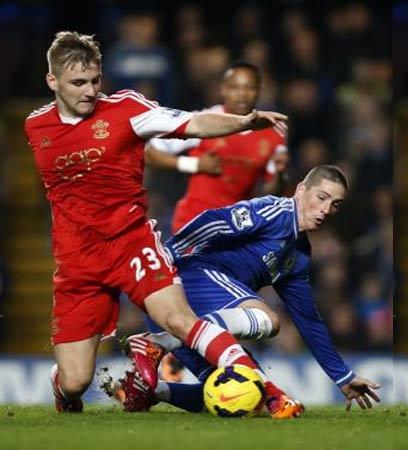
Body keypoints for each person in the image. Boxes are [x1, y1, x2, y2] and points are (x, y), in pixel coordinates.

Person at [25, 31, 286, 412]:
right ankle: (61, 384)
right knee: (76, 381)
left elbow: (193, 124)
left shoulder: (127, 110)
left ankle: (268, 392)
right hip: (77, 259)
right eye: (78, 83)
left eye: (95, 81)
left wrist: (242, 122)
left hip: (131, 241)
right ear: (53, 82)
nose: (89, 91)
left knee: (179, 319)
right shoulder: (35, 126)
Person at [119, 165, 381, 414]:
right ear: (301, 189)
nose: (326, 209)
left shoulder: (298, 256)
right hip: (190, 278)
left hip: (190, 314)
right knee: (268, 319)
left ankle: (146, 391)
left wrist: (342, 376)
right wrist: (168, 258)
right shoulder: (274, 212)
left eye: (335, 204)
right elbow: (214, 220)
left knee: (239, 390)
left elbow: (308, 319)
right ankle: (159, 343)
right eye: (321, 197)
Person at [144, 61, 290, 233]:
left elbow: (271, 191)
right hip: (193, 223)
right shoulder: (205, 121)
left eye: (249, 87)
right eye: (235, 87)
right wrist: (194, 164)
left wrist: (280, 174)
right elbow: (148, 154)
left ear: (259, 91)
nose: (242, 94)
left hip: (235, 228)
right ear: (223, 90)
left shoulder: (273, 133)